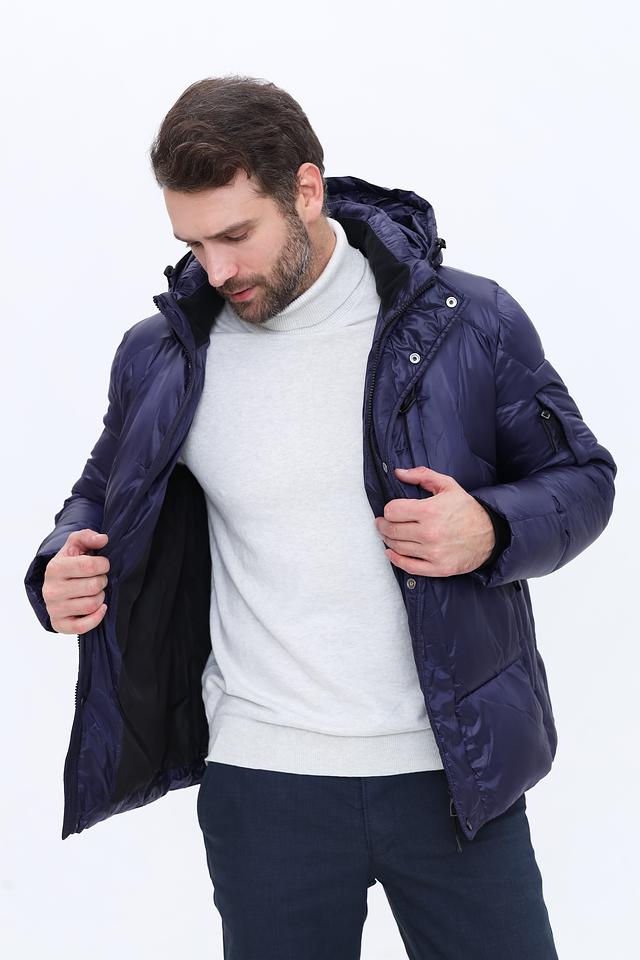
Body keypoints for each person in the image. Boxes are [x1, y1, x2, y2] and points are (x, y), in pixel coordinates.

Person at [24, 75, 617, 959]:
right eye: (193, 243)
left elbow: (584, 480)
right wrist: (57, 567)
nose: (216, 271)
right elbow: (96, 498)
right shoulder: (164, 355)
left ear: (305, 190)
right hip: (265, 783)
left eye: (236, 236)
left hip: (456, 774)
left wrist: (492, 529)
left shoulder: (467, 322)